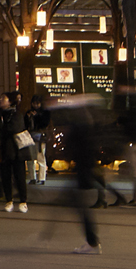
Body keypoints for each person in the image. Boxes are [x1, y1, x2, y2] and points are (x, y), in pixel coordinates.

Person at [55, 101, 104, 254]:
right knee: (77, 205)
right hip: (86, 168)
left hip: (83, 169)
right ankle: (92, 241)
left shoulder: (80, 126)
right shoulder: (91, 124)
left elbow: (74, 146)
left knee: (80, 207)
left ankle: (92, 242)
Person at [0, 90, 35, 212]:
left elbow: (13, 128)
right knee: (5, 176)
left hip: (17, 150)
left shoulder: (16, 114)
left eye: (3, 99)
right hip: (3, 149)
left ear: (10, 101)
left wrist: (1, 127)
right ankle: (9, 200)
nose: (1, 101)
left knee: (19, 176)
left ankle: (23, 201)